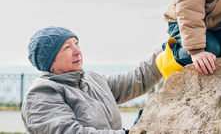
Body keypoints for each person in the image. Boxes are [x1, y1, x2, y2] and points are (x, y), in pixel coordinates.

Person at [21, 26, 162, 133]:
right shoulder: (41, 95)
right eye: (67, 47)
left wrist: (164, 53)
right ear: (50, 62)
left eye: (76, 43)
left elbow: (137, 79)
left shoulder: (92, 80)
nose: (77, 51)